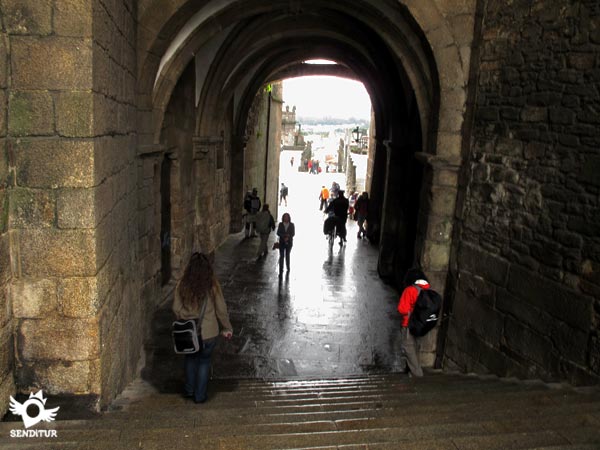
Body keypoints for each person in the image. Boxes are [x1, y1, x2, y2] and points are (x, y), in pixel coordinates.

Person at [172, 253, 233, 403]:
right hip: (209, 333)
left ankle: (189, 389)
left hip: (190, 332)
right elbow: (221, 309)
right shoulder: (212, 285)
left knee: (191, 359)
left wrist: (185, 316)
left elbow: (175, 308)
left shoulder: (182, 284)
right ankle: (200, 396)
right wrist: (227, 327)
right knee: (204, 362)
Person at [397, 268, 429, 377]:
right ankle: (412, 370)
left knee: (408, 347)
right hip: (421, 324)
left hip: (409, 324)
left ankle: (417, 373)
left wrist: (410, 310)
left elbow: (402, 309)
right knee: (415, 347)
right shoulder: (426, 289)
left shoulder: (409, 290)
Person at [276, 212, 295, 276]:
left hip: (289, 242)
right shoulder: (280, 224)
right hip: (282, 242)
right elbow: (278, 232)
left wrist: (288, 236)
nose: (286, 218)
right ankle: (281, 268)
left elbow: (293, 233)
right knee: (281, 255)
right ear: (283, 218)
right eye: (285, 217)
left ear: (289, 218)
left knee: (287, 255)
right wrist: (284, 236)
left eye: (287, 217)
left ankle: (288, 267)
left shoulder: (292, 225)